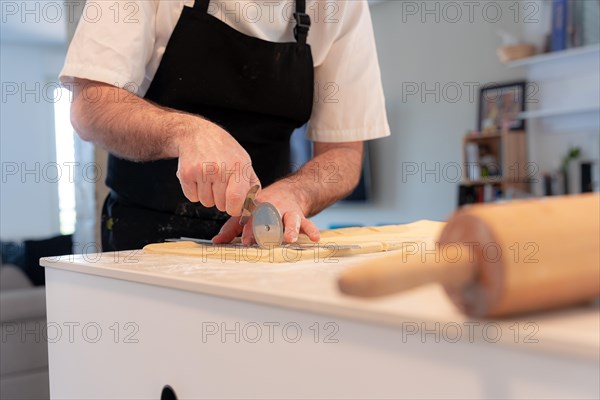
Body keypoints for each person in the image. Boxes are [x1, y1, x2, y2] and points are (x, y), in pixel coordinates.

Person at [60, 0, 390, 251]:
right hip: (144, 236)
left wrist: (296, 192)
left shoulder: (342, 6)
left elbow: (345, 152)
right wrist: (187, 132)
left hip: (261, 243)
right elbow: (91, 104)